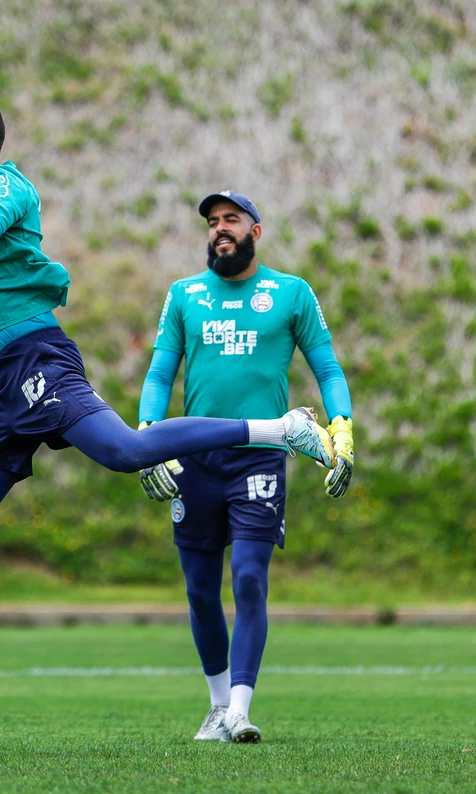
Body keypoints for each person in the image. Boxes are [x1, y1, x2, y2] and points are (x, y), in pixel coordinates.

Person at [0, 98, 336, 724]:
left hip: (38, 359)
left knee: (126, 451)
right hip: (3, 382)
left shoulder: (3, 185)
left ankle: (281, 428)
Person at [136, 191, 354, 743]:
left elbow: (326, 366)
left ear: (256, 231)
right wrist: (146, 436)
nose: (219, 230)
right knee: (199, 590)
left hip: (261, 457)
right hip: (193, 459)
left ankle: (239, 708)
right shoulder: (184, 295)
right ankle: (215, 707)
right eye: (212, 222)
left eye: (230, 220)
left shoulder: (290, 293)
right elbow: (161, 374)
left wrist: (341, 426)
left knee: (250, 580)